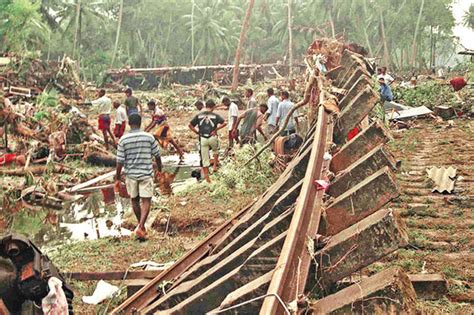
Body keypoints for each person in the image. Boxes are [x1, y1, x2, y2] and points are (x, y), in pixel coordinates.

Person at [115, 114, 162, 241]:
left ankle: (140, 226)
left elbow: (119, 161)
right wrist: (160, 169)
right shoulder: (149, 137)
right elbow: (157, 155)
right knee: (146, 200)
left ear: (129, 124)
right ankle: (141, 226)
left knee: (134, 200)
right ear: (140, 123)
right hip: (146, 173)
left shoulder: (123, 140)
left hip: (131, 175)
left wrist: (117, 177)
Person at [188, 99, 226, 183]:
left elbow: (190, 125)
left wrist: (197, 132)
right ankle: (215, 166)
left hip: (203, 138)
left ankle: (207, 179)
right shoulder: (215, 115)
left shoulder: (199, 115)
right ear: (213, 107)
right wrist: (216, 129)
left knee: (205, 160)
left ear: (206, 106)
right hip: (212, 137)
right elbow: (224, 123)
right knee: (215, 151)